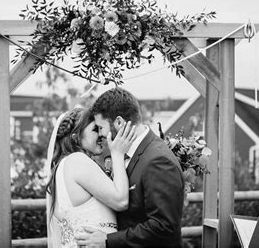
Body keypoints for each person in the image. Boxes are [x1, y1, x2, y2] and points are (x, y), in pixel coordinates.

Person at [76, 87, 185, 247]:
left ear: (119, 122)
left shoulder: (158, 160)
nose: (100, 134)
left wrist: (108, 241)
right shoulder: (122, 154)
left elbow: (164, 227)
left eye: (101, 128)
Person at [45, 107, 137, 247]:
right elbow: (121, 200)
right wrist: (117, 154)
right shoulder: (77, 160)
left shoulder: (65, 165)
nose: (102, 134)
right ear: (76, 137)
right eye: (95, 129)